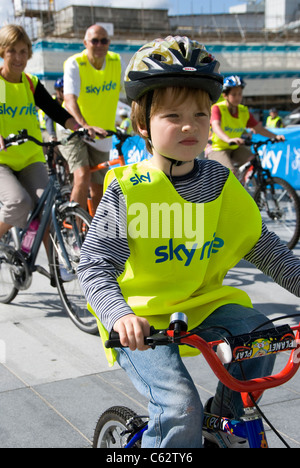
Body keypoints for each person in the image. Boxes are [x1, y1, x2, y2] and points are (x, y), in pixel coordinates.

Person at [78, 36, 300, 448]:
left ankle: (224, 423)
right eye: (173, 115)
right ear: (143, 125)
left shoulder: (219, 181)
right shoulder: (128, 187)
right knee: (179, 408)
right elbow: (93, 266)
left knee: (262, 338)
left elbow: (264, 248)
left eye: (200, 114)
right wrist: (119, 315)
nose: (189, 125)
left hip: (202, 305)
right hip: (142, 319)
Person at [0, 24, 79, 243]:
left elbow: (55, 111)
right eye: (11, 51)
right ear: (2, 52)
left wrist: (80, 127)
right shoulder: (1, 85)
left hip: (30, 158)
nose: (18, 57)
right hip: (2, 161)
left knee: (47, 207)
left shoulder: (29, 83)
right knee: (19, 202)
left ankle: (55, 271)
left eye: (23, 51)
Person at [58, 24, 123, 212]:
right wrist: (84, 125)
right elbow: (69, 100)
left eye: (104, 40)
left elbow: (132, 94)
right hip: (73, 128)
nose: (100, 44)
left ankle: (95, 231)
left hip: (101, 133)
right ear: (85, 43)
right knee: (82, 176)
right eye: (95, 40)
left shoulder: (116, 62)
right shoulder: (75, 63)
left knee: (100, 186)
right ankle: (77, 234)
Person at [208, 75, 285, 175]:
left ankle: (245, 186)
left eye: (240, 94)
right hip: (217, 148)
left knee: (253, 161)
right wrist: (228, 139)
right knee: (230, 173)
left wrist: (275, 136)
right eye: (234, 94)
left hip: (235, 147)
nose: (238, 97)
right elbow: (216, 126)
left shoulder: (244, 111)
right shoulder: (217, 108)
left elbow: (259, 129)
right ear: (225, 96)